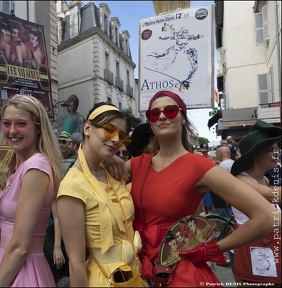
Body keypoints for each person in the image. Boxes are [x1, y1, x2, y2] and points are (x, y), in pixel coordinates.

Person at [105, 90, 277, 286]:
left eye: (170, 111)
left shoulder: (199, 166)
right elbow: (95, 175)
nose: (161, 116)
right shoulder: (137, 164)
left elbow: (269, 217)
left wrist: (211, 249)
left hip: (179, 272)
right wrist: (105, 151)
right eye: (154, 113)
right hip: (139, 268)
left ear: (183, 118)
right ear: (151, 124)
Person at [0, 94, 62, 286]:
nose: (12, 131)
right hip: (3, 265)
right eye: (7, 124)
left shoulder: (35, 167)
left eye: (21, 124)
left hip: (21, 272)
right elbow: (6, 230)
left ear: (38, 126)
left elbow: (20, 248)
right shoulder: (12, 166)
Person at [56, 103, 146, 286]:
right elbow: (76, 263)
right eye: (109, 130)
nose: (115, 140)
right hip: (104, 279)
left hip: (134, 274)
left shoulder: (111, 172)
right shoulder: (72, 186)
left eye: (121, 136)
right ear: (87, 128)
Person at [230, 119, 281, 285]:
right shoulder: (242, 180)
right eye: (270, 150)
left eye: (277, 149)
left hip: (270, 249)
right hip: (254, 254)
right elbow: (274, 195)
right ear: (255, 155)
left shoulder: (265, 178)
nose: (277, 153)